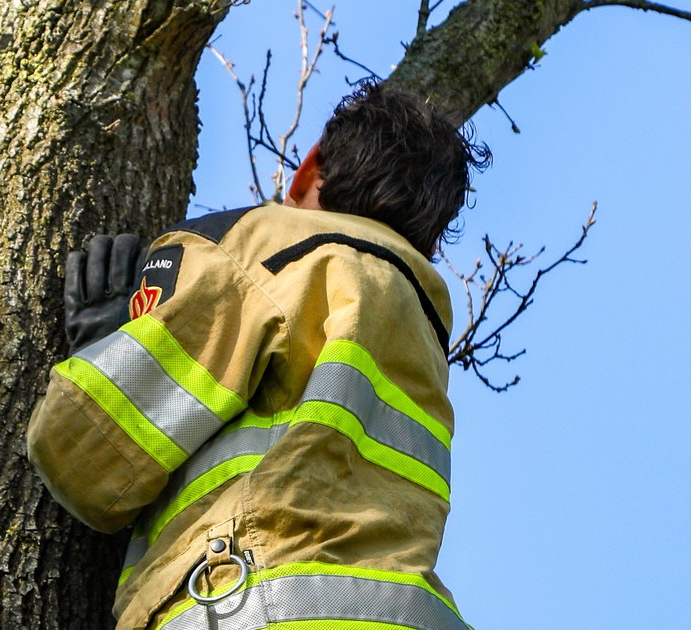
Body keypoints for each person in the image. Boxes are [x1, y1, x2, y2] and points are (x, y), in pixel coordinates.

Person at [27, 79, 490, 630]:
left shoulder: (267, 248)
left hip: (262, 607)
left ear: (310, 168)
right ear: (429, 242)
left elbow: (82, 459)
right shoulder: (421, 335)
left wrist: (104, 352)